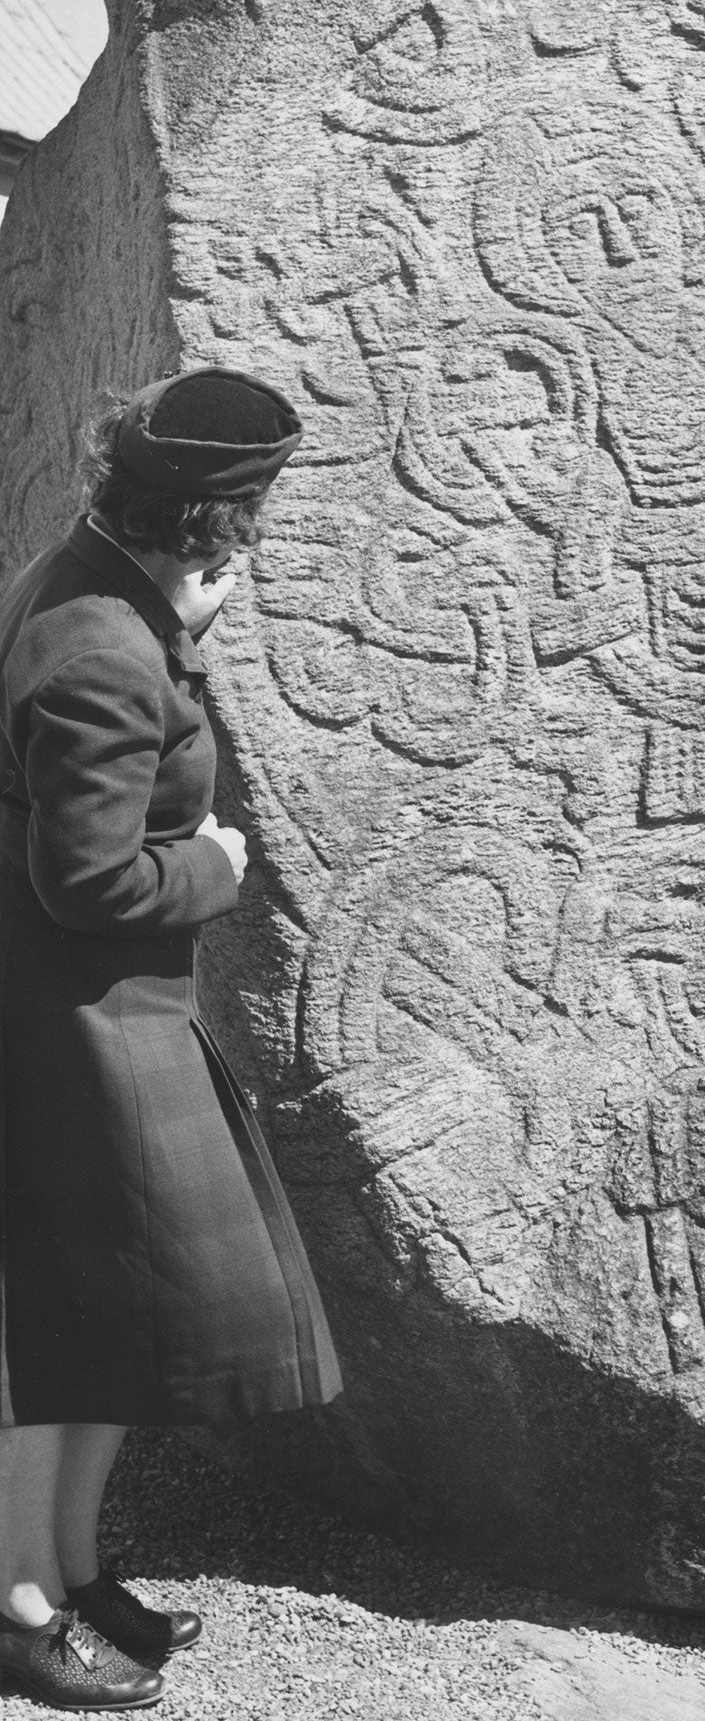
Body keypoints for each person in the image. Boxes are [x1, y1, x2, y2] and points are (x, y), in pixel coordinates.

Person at [0, 368, 342, 1710]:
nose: (257, 529)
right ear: (204, 510)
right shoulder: (97, 644)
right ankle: (17, 1609)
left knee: (122, 1313)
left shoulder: (106, 594)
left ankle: (73, 1577)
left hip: (104, 1011)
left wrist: (169, 623)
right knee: (66, 1324)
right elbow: (81, 879)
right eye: (249, 508)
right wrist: (213, 865)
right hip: (71, 1016)